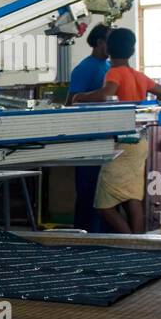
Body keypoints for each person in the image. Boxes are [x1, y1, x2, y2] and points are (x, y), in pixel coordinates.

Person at [72, 27, 161, 233]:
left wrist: (80, 97)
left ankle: (127, 239)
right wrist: (150, 110)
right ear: (132, 50)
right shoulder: (139, 75)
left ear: (108, 47)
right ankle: (138, 241)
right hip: (140, 142)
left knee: (103, 204)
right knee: (132, 196)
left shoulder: (114, 72)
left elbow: (105, 94)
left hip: (122, 144)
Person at [65, 24, 110, 231]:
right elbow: (71, 102)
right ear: (100, 42)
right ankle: (84, 235)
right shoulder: (85, 68)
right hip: (88, 139)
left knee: (104, 194)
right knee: (87, 192)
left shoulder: (109, 67)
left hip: (106, 137)